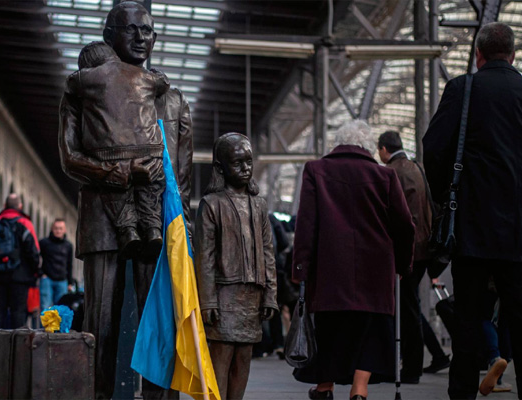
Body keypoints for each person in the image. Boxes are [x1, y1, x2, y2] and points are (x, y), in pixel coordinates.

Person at [58, 2, 192, 398]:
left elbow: (181, 174)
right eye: (131, 30)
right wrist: (114, 173)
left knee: (159, 321)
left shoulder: (173, 98)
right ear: (109, 35)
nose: (141, 38)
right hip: (101, 215)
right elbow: (69, 157)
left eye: (148, 31)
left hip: (158, 218)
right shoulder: (84, 87)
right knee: (101, 322)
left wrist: (177, 223)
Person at [423, 22, 522, 399]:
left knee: (468, 315)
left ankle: (462, 392)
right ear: (513, 55)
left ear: (478, 55)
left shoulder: (463, 90)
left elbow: (434, 149)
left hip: (473, 226)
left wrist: (448, 194)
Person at [292, 120, 415, 400]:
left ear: (338, 143)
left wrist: (301, 268)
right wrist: (402, 264)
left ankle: (325, 387)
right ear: (368, 146)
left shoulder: (317, 170)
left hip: (330, 270)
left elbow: (306, 224)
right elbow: (405, 225)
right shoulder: (385, 176)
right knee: (371, 328)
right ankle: (360, 390)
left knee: (331, 328)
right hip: (376, 269)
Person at [66, 42, 169, 259]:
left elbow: (72, 82)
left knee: (117, 194)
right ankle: (152, 228)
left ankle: (128, 230)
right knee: (150, 188)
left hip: (112, 153)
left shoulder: (85, 78)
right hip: (150, 150)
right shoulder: (145, 76)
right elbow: (163, 83)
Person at [195, 133, 278, 400]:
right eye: (237, 163)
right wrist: (207, 301)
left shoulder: (259, 205)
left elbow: (268, 253)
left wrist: (270, 294)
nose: (245, 168)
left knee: (243, 359)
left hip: (251, 296)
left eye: (249, 162)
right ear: (220, 168)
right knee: (221, 358)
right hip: (222, 295)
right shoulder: (211, 204)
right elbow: (204, 258)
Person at [378, 130, 433, 384]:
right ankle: (412, 366)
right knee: (411, 307)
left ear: (383, 149)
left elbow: (396, 217)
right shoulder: (417, 167)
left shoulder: (391, 172)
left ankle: (410, 369)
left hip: (406, 251)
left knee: (405, 310)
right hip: (424, 248)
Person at [0, 193, 40, 329]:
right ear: (20, 206)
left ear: (5, 206)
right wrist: (34, 272)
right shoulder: (25, 223)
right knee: (18, 312)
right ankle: (17, 347)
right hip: (20, 277)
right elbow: (34, 252)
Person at [39, 219, 75, 310]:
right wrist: (40, 273)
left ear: (64, 230)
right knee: (45, 308)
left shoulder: (68, 246)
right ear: (52, 229)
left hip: (62, 280)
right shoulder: (44, 243)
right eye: (56, 228)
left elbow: (70, 264)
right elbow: (35, 258)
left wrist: (70, 282)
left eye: (60, 228)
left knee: (61, 309)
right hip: (47, 279)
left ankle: (59, 325)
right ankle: (45, 325)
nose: (58, 231)